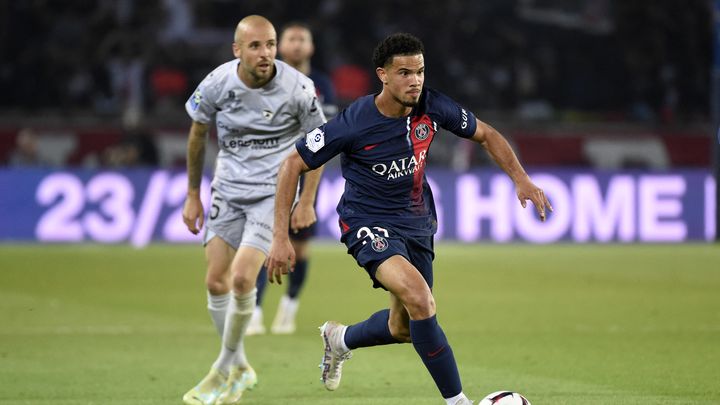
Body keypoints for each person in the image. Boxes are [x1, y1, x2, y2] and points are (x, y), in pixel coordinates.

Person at [266, 33, 552, 405]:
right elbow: (292, 163)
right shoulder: (354, 122)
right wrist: (280, 236)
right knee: (421, 299)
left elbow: (486, 134)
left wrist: (521, 178)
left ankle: (340, 339)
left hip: (417, 224)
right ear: (383, 75)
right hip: (366, 223)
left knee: (403, 327)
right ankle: (459, 402)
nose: (415, 80)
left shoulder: (432, 106)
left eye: (419, 71)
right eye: (404, 72)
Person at [180, 15, 326, 405]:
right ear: (237, 50)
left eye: (271, 45)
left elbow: (320, 144)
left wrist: (307, 199)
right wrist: (193, 193)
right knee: (215, 282)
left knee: (242, 280)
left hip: (271, 194)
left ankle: (220, 368)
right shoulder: (216, 83)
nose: (266, 54)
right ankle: (240, 364)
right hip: (227, 189)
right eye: (256, 46)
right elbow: (197, 133)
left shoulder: (299, 88)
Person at [248, 21, 338, 336]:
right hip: (267, 173)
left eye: (303, 38)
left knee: (299, 249)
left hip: (306, 172)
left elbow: (322, 136)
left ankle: (289, 307)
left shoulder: (323, 84)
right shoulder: (263, 79)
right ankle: (255, 311)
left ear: (311, 47)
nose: (297, 44)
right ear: (280, 46)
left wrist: (308, 197)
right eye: (292, 38)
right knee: (263, 242)